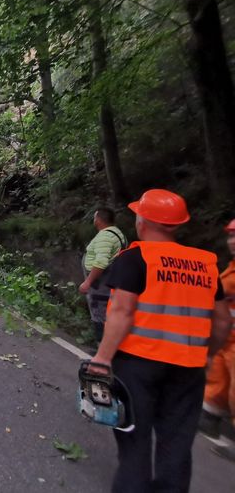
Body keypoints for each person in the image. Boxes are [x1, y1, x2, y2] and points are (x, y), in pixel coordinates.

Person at [90, 189, 232, 492]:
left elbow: (122, 312)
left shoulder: (135, 256)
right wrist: (207, 355)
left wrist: (102, 358)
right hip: (189, 370)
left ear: (143, 221)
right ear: (177, 225)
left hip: (137, 366)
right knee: (176, 446)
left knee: (134, 443)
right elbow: (222, 322)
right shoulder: (206, 263)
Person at [199, 219, 235, 445]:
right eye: (230, 236)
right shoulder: (230, 269)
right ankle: (210, 414)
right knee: (218, 376)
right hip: (226, 337)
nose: (232, 241)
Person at [79, 207, 127, 341]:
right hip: (109, 280)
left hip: (100, 283)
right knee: (106, 312)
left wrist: (88, 282)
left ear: (98, 220)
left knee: (99, 314)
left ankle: (102, 349)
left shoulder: (105, 236)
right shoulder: (117, 233)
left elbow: (101, 261)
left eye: (95, 217)